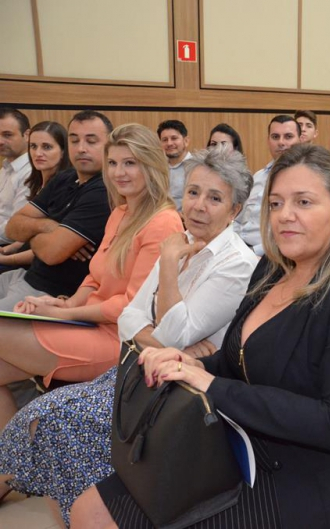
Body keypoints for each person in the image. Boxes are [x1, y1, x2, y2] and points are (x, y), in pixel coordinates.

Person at [70, 144, 330, 528]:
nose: (285, 215)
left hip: (312, 482)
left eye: (304, 202)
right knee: (90, 506)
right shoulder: (273, 269)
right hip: (242, 444)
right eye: (275, 203)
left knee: (105, 516)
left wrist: (211, 384)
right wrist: (191, 362)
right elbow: (239, 359)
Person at [0, 147, 258, 525]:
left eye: (215, 198)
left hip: (174, 392)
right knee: (40, 419)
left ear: (234, 211)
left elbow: (171, 334)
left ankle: (81, 512)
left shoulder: (236, 264)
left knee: (52, 425)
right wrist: (157, 336)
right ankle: (74, 514)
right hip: (136, 370)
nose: (199, 205)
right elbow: (130, 317)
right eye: (193, 192)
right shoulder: (179, 239)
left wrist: (167, 268)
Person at [0, 123, 184, 428]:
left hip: (121, 340)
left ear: (151, 165)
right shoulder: (120, 212)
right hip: (89, 323)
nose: (118, 172)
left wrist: (63, 314)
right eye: (113, 163)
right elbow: (94, 278)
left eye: (130, 163)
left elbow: (130, 306)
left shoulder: (163, 222)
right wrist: (64, 304)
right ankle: (15, 457)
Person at [0, 110, 113, 310]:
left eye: (91, 141)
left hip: (49, 293)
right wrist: (51, 227)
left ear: (109, 145)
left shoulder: (104, 190)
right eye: (74, 140)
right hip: (23, 276)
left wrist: (34, 232)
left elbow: (52, 253)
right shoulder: (64, 178)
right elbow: (13, 228)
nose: (81, 148)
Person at [0, 121, 70, 269]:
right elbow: (27, 232)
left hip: (43, 265)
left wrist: (7, 259)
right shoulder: (35, 181)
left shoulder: (65, 187)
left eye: (47, 147)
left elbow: (50, 244)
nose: (38, 153)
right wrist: (7, 250)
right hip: (22, 252)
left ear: (63, 151)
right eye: (33, 146)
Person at [234, 114, 300, 255]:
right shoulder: (258, 176)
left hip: (269, 255)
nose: (281, 142)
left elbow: (292, 231)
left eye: (288, 137)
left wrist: (253, 252)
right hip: (240, 248)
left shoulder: (304, 181)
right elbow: (238, 221)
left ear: (300, 140)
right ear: (268, 141)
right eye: (275, 137)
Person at [0, 108, 31, 246]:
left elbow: (16, 227)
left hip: (9, 247)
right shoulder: (5, 168)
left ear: (27, 135)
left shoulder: (31, 171)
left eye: (7, 135)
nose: (0, 141)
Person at [157, 120, 192, 211]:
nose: (169, 143)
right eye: (165, 140)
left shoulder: (196, 167)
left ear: (186, 141)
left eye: (174, 138)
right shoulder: (157, 168)